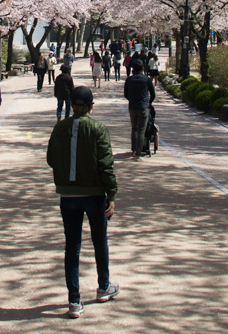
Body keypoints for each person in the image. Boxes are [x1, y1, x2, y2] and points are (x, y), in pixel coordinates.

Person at [46, 85, 118, 319]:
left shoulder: (60, 128)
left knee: (72, 246)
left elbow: (50, 159)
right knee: (100, 240)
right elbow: (106, 165)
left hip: (68, 195)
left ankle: (74, 301)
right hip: (95, 194)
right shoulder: (98, 129)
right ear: (90, 107)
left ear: (72, 104)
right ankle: (103, 287)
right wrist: (112, 194)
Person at [122, 62, 155, 161]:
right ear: (142, 68)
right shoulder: (147, 80)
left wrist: (131, 99)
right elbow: (153, 94)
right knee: (141, 130)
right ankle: (138, 154)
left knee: (134, 128)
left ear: (133, 69)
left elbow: (125, 94)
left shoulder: (129, 80)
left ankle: (133, 149)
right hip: (144, 107)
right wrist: (149, 102)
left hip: (132, 106)